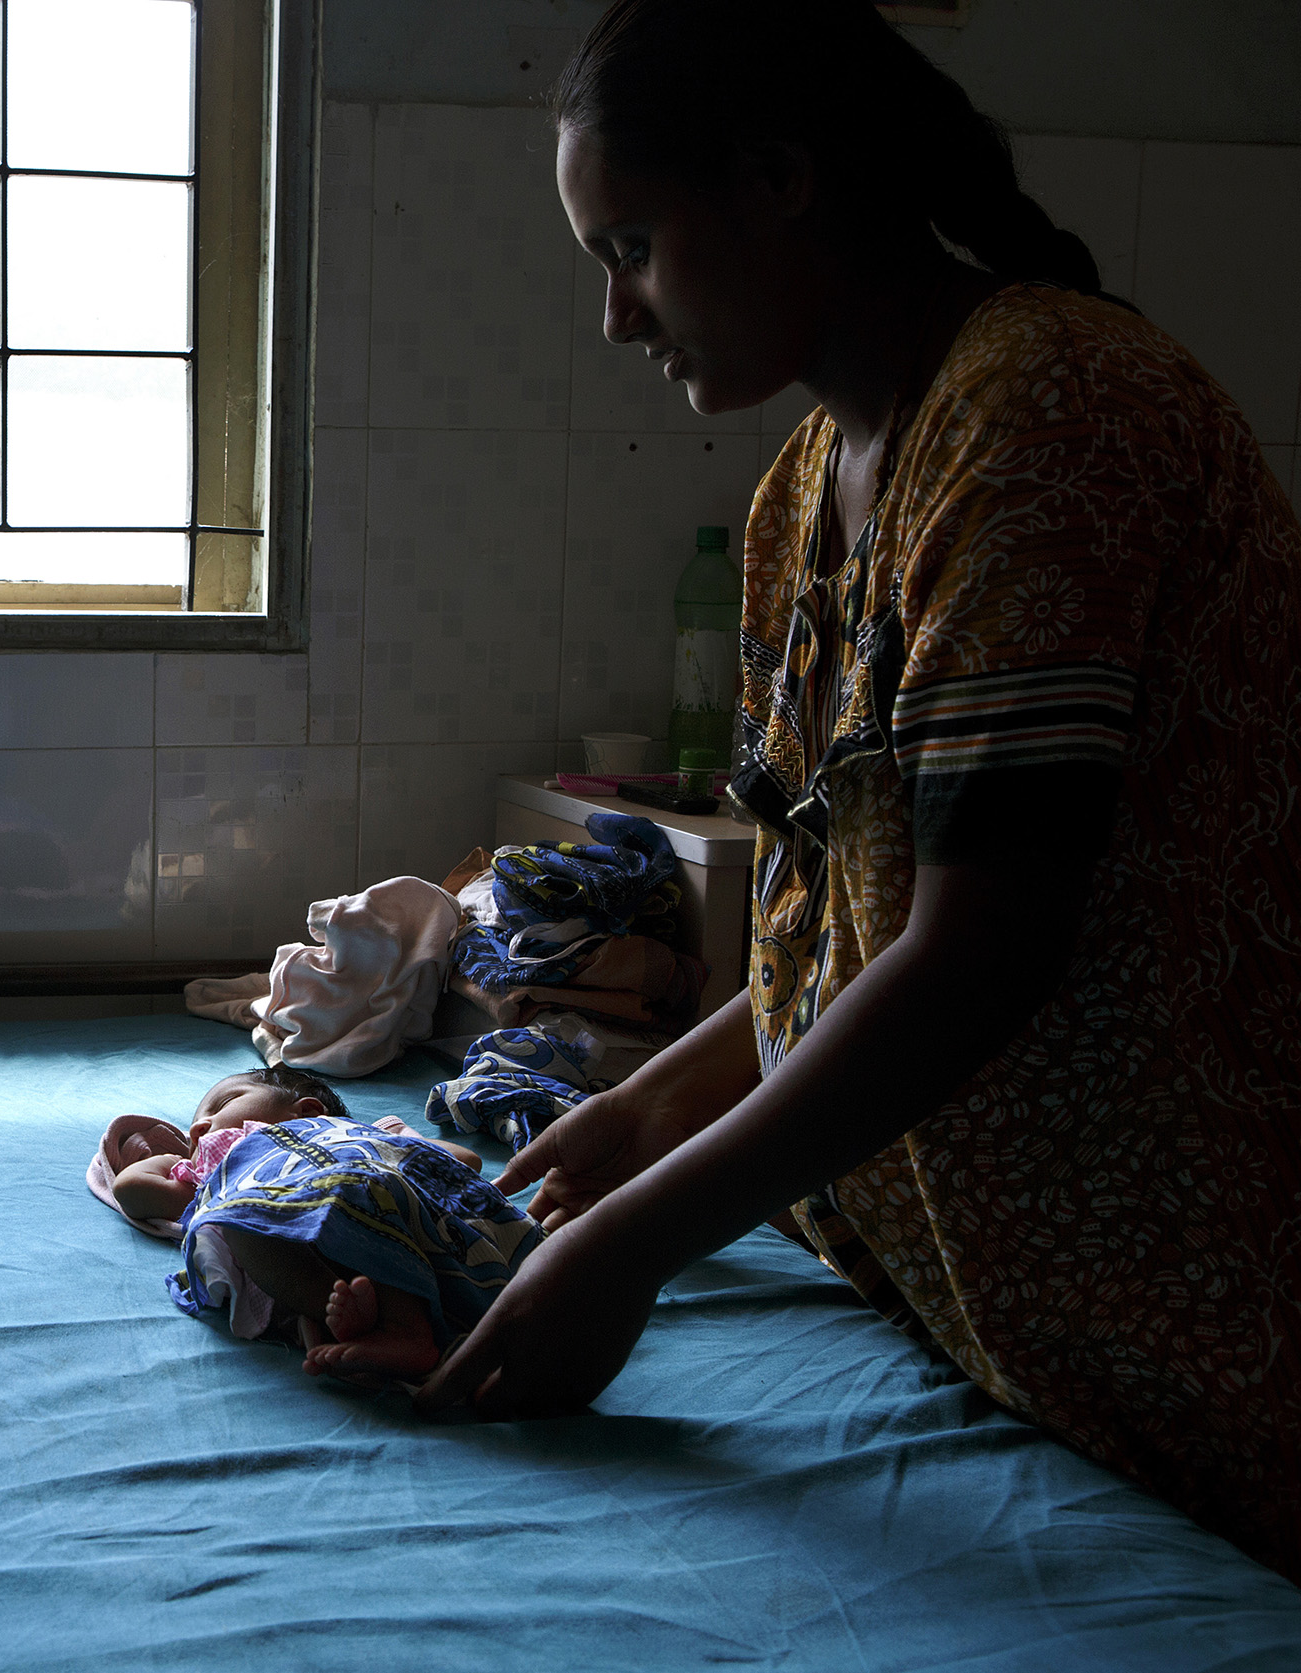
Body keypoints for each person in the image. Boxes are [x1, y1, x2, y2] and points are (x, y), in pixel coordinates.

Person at [414, 0, 1301, 1583]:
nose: (617, 317)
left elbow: (980, 950)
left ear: (776, 181)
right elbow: (832, 942)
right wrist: (639, 1117)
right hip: (989, 1315)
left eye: (630, 247)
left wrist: (638, 1243)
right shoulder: (801, 491)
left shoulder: (1046, 414)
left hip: (1195, 1309)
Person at [113, 1067, 537, 1380]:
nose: (199, 1126)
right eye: (194, 1130)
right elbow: (131, 1190)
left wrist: (404, 1138)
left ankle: (399, 1326)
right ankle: (352, 1316)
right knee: (243, 1222)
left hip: (367, 1187)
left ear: (309, 1110)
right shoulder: (219, 1166)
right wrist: (180, 1162)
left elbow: (459, 1165)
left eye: (221, 1105)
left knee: (371, 1200)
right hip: (307, 1240)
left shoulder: (352, 1135)